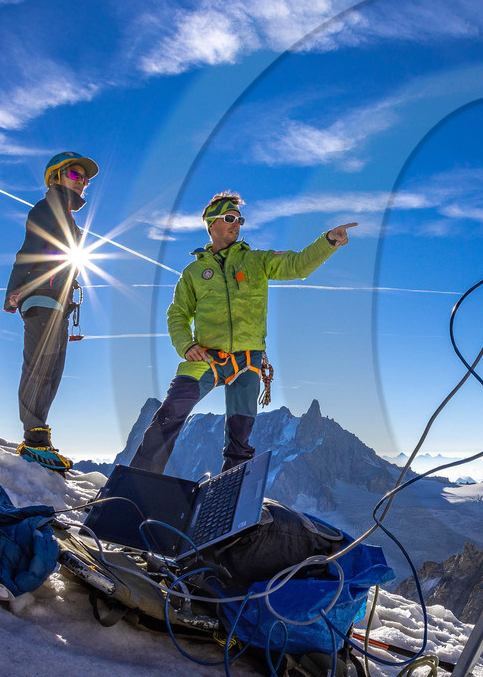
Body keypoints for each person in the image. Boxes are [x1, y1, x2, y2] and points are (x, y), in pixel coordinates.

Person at [131, 191, 356, 475]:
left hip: (247, 360)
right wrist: (185, 345)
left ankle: (229, 496)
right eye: (229, 218)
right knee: (169, 415)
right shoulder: (193, 273)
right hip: (205, 358)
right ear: (210, 224)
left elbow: (298, 265)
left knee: (240, 437)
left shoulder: (256, 261)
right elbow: (177, 313)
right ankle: (136, 483)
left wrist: (329, 241)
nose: (236, 224)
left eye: (240, 219)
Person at [4, 151, 99, 471]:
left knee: (52, 369)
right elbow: (28, 252)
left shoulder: (64, 215)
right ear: (55, 177)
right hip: (41, 297)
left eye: (85, 178)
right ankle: (33, 440)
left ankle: (38, 435)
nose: (83, 182)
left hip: (55, 302)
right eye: (75, 175)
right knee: (40, 367)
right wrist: (14, 290)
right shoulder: (47, 209)